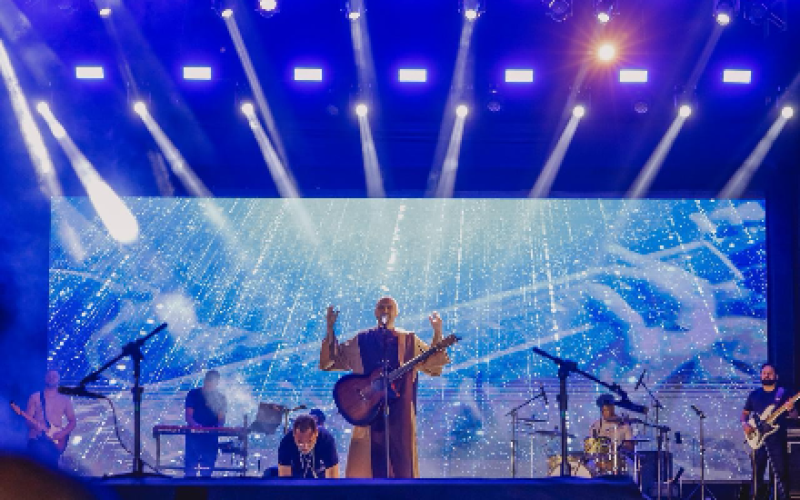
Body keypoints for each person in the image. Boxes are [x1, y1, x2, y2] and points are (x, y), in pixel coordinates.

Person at [320, 297, 451, 478]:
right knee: (366, 470)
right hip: (367, 413)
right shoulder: (362, 340)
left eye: (390, 307)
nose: (385, 310)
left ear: (396, 312)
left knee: (402, 463)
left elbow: (433, 365)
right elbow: (331, 361)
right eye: (381, 306)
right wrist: (330, 329)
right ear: (375, 312)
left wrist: (437, 332)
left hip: (401, 414)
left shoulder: (409, 340)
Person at [742, 363, 798, 500]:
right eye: (764, 373)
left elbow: (795, 416)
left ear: (776, 376)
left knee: (780, 474)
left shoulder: (784, 393)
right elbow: (745, 413)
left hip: (777, 439)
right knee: (757, 474)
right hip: (758, 439)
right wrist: (744, 424)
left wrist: (790, 409)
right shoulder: (754, 395)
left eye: (769, 373)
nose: (766, 375)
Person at [23, 370, 77, 468]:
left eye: (54, 376)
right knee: (34, 471)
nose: (51, 377)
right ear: (45, 378)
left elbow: (72, 421)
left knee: (50, 473)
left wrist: (62, 433)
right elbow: (27, 420)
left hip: (54, 442)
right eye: (49, 375)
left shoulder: (65, 400)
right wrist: (35, 425)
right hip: (36, 440)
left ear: (59, 379)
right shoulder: (35, 397)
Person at [184, 370, 227, 477]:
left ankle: (206, 485)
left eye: (213, 382)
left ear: (217, 383)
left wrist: (218, 427)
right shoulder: (193, 394)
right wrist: (195, 425)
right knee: (191, 466)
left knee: (208, 466)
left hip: (211, 436)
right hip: (194, 435)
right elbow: (188, 416)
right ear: (205, 381)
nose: (210, 384)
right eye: (208, 381)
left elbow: (221, 418)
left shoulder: (220, 398)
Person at [278, 414, 339, 479]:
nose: (305, 447)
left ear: (316, 434)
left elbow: (333, 479)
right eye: (300, 442)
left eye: (310, 441)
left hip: (321, 474)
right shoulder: (286, 442)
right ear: (294, 435)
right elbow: (285, 481)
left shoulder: (326, 440)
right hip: (296, 475)